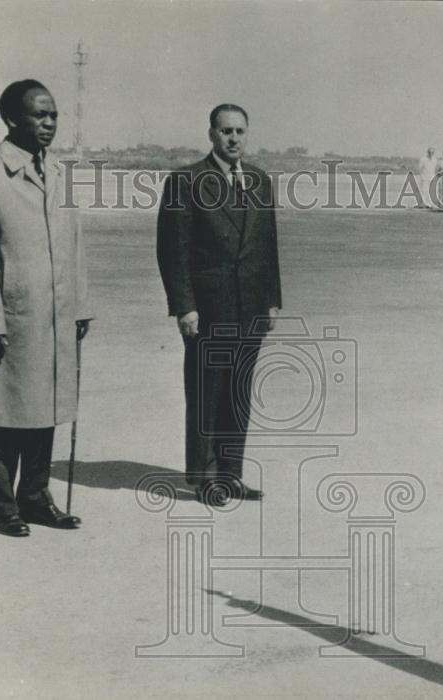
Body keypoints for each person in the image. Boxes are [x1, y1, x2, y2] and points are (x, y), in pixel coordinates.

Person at [0, 79, 91, 537]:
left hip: (54, 318)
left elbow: (74, 245)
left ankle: (35, 496)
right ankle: (2, 506)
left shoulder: (61, 173)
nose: (49, 123)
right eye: (39, 115)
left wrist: (80, 306)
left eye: (53, 115)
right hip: (9, 319)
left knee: (46, 408)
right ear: (11, 118)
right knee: (3, 412)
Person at [156, 104, 281, 506]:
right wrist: (184, 306)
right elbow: (172, 251)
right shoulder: (186, 181)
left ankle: (231, 476)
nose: (233, 138)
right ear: (211, 134)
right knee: (206, 392)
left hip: (251, 307)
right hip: (208, 309)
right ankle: (205, 476)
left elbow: (267, 246)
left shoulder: (260, 181)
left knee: (238, 393)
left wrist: (273, 301)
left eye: (240, 131)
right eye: (225, 131)